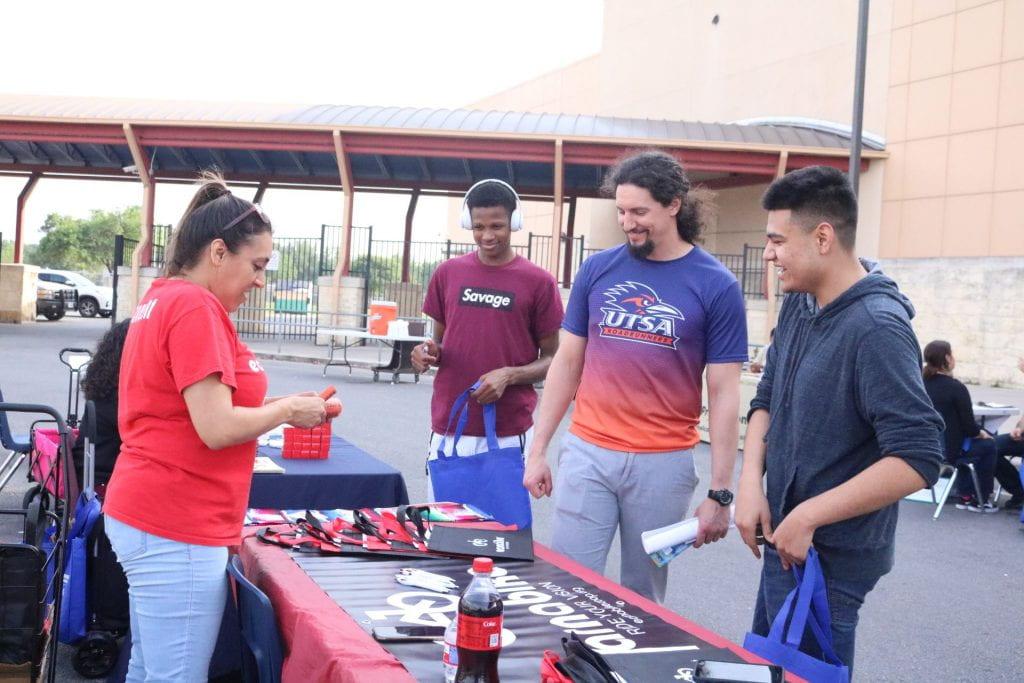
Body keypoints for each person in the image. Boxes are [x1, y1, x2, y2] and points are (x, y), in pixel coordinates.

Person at [103, 175, 333, 681]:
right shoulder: (195, 307)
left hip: (153, 510)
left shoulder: (163, 297)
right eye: (258, 265)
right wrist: (288, 412)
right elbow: (215, 426)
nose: (260, 281)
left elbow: (195, 408)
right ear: (218, 252)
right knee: (173, 675)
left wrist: (285, 404)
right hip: (176, 519)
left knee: (150, 667)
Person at [734, 166, 944, 674]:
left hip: (828, 557)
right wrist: (749, 483)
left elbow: (918, 456)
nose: (768, 253)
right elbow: (767, 397)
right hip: (786, 539)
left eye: (777, 240)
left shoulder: (876, 327)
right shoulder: (800, 303)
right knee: (767, 668)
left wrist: (809, 515)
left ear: (823, 237)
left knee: (804, 670)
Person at [523, 149, 748, 603]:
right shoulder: (597, 270)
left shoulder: (716, 284)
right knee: (566, 584)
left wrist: (721, 493)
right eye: (622, 211)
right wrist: (538, 448)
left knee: (641, 597)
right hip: (588, 453)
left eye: (640, 211)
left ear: (674, 205)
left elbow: (724, 392)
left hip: (662, 465)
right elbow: (568, 363)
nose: (628, 223)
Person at [411, 179, 563, 486]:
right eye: (479, 227)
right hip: (449, 426)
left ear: (514, 223)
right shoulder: (447, 273)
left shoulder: (539, 282)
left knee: (502, 531)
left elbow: (554, 359)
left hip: (509, 431)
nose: (488, 235)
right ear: (469, 223)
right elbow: (439, 343)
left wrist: (508, 375)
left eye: (497, 226)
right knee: (447, 529)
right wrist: (427, 353)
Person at [922, 340, 1009, 512]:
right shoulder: (956, 388)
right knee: (988, 445)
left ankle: (965, 495)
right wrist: (982, 433)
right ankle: (980, 499)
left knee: (971, 446)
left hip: (927, 447)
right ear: (947, 358)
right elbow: (969, 427)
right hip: (950, 451)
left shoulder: (921, 384)